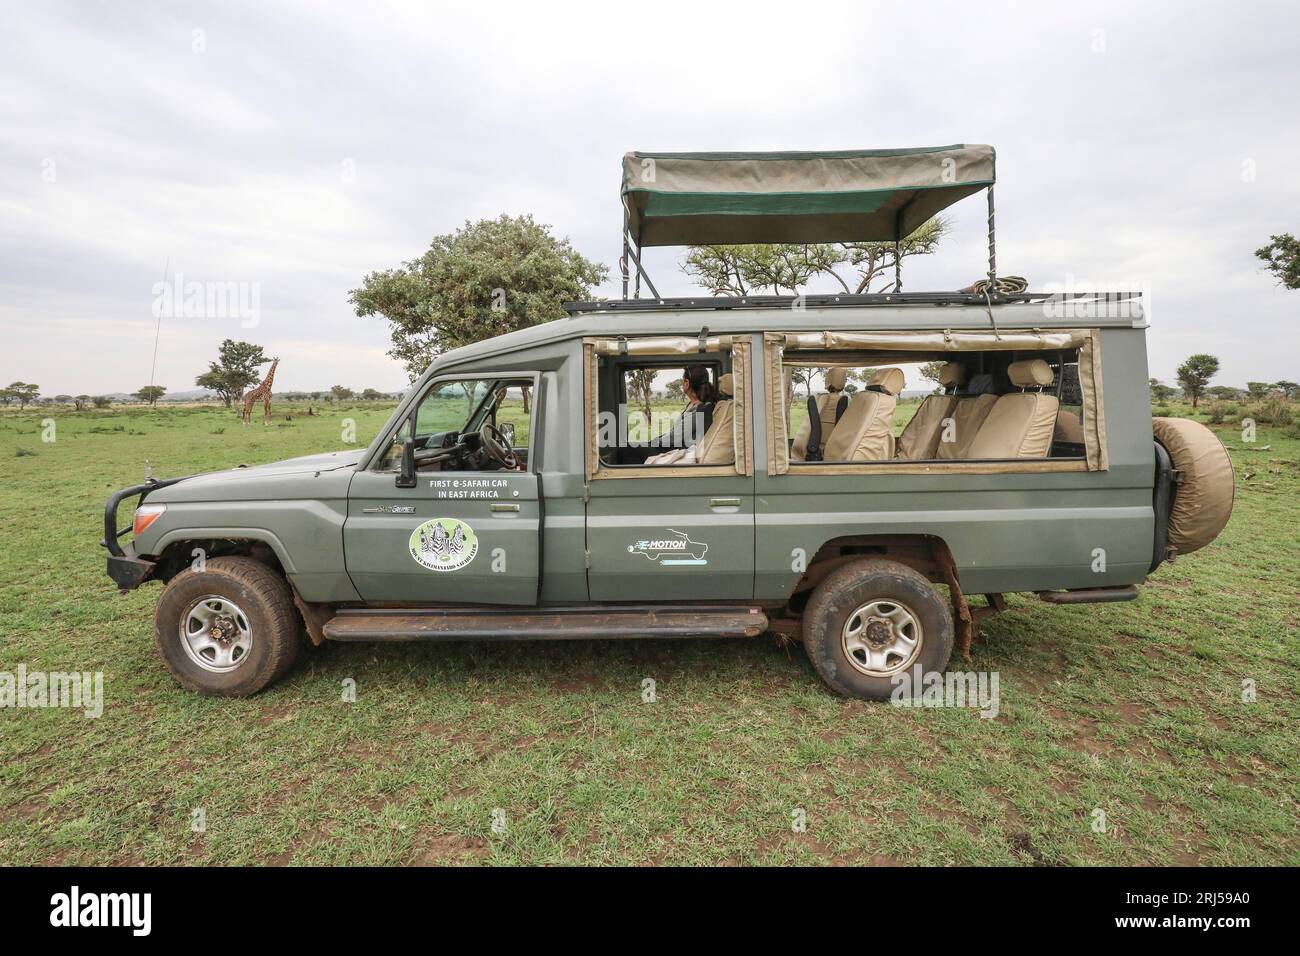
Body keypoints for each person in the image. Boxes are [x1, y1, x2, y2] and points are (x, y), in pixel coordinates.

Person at [645, 365, 716, 464]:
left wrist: (652, 442)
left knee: (627, 449)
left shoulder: (700, 410)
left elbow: (674, 437)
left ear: (687, 383)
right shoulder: (694, 405)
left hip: (677, 449)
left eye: (683, 381)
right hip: (674, 445)